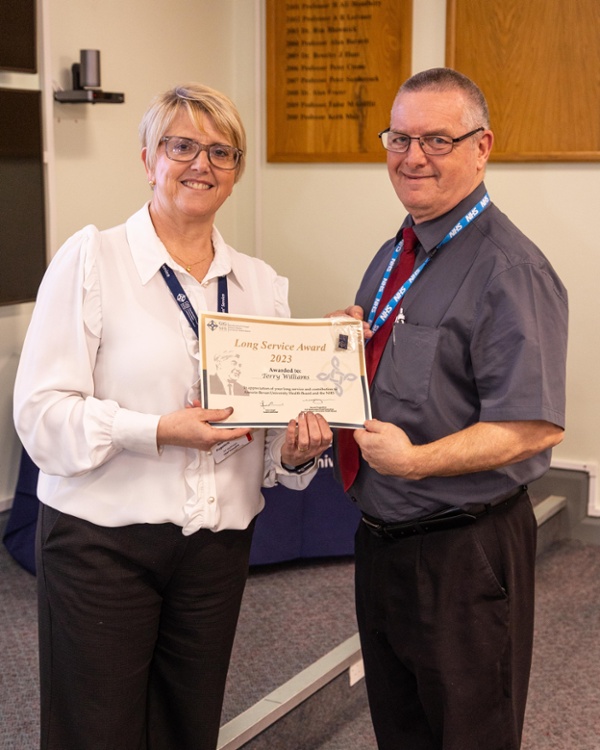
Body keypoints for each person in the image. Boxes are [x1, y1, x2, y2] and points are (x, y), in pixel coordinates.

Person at [13, 83, 332, 750]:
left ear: (237, 171)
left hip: (214, 550)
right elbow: (41, 416)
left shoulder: (259, 285)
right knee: (95, 734)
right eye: (181, 145)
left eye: (222, 151)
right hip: (104, 545)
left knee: (188, 730)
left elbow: (267, 444)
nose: (201, 164)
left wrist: (296, 453)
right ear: (147, 156)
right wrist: (156, 430)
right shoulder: (92, 260)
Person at [329, 68, 568, 750]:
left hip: (465, 553)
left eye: (437, 138)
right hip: (382, 545)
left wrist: (416, 462)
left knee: (470, 734)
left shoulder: (510, 270)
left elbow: (534, 424)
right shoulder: (396, 252)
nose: (412, 157)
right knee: (401, 728)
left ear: (482, 146)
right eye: (399, 138)